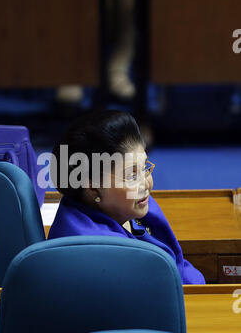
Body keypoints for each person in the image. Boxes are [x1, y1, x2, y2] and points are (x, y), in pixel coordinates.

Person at [47, 110, 205, 285]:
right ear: (93, 187)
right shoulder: (99, 251)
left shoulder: (123, 203)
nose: (146, 184)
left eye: (145, 168)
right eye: (131, 175)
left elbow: (179, 268)